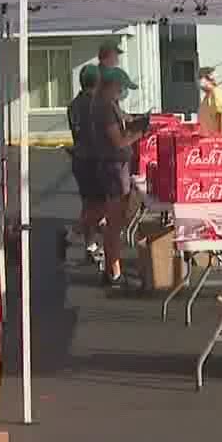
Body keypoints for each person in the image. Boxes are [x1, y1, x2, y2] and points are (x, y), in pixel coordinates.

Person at [88, 67, 142, 288]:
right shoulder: (104, 108)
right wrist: (140, 133)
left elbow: (123, 120)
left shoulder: (107, 105)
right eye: (121, 88)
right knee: (115, 224)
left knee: (115, 222)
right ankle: (115, 273)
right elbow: (119, 141)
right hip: (113, 168)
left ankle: (113, 270)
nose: (122, 92)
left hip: (113, 166)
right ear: (111, 86)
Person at [63, 65, 103, 264]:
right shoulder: (96, 105)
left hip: (79, 159)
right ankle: (72, 235)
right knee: (101, 205)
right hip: (94, 161)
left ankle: (90, 245)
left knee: (88, 204)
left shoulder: (73, 105)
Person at [197, 67, 222, 136]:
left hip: (217, 140)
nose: (198, 81)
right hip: (208, 139)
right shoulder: (207, 97)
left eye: (200, 78)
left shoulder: (216, 93)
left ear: (208, 78)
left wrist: (221, 138)